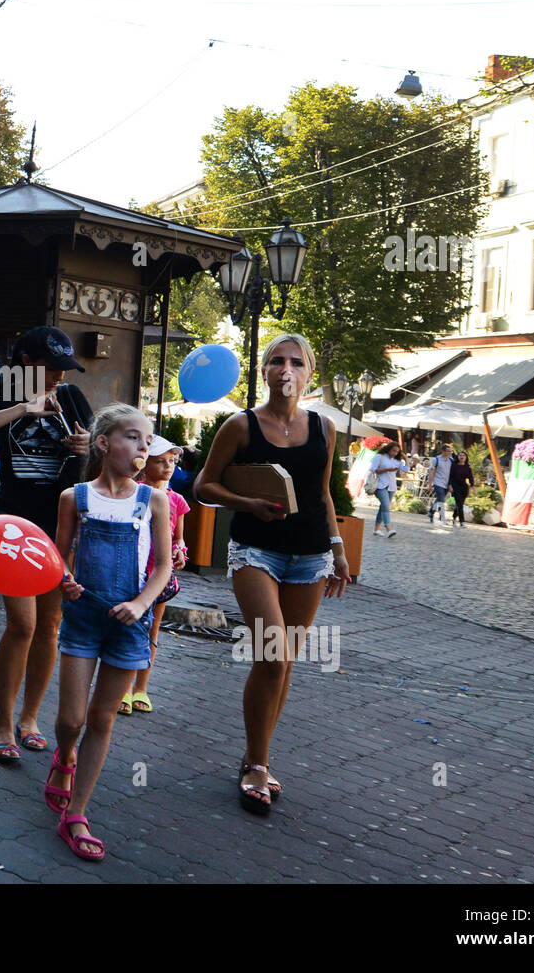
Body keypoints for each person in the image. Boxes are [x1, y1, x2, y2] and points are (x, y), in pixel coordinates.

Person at [194, 333, 350, 816]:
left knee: (283, 663)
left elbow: (323, 494)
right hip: (255, 552)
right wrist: (247, 503)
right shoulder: (240, 426)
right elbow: (204, 484)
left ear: (308, 373)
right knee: (273, 652)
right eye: (277, 361)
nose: (286, 369)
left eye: (296, 362)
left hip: (310, 557)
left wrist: (338, 549)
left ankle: (255, 756)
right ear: (263, 371)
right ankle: (257, 765)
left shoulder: (323, 427)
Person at [0, 325, 92, 761]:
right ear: (28, 363)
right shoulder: (5, 388)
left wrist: (89, 446)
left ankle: (30, 719)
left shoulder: (71, 398)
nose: (58, 376)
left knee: (50, 626)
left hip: (61, 528)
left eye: (63, 369)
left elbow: (105, 451)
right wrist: (21, 408)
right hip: (14, 526)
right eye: (52, 368)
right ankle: (2, 723)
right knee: (23, 625)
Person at [45, 403, 171, 861]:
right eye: (133, 438)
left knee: (102, 719)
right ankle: (64, 756)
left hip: (128, 627)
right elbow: (58, 557)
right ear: (103, 443)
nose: (143, 448)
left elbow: (164, 565)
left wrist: (141, 604)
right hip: (82, 619)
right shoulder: (74, 497)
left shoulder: (153, 500)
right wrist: (65, 578)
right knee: (71, 720)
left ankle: (76, 813)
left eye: (147, 441)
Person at [120, 434, 189, 715]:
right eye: (161, 461)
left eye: (172, 461)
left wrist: (181, 551)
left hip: (160, 574)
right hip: (132, 571)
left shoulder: (177, 501)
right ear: (143, 463)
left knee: (152, 629)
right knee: (126, 627)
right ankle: (122, 688)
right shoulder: (132, 493)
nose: (168, 466)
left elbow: (179, 538)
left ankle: (141, 688)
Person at [370, 441, 407, 538]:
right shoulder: (380, 457)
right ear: (389, 449)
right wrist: (387, 470)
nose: (395, 453)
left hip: (391, 486)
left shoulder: (397, 461)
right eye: (393, 451)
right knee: (386, 506)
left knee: (383, 507)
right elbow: (373, 469)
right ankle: (388, 528)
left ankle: (376, 529)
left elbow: (406, 469)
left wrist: (406, 458)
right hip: (380, 485)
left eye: (397, 452)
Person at [425, 442, 455, 525]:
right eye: (448, 451)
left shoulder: (451, 460)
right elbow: (432, 472)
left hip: (446, 483)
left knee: (439, 499)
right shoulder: (436, 460)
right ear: (443, 451)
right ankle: (442, 518)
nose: (450, 453)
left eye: (451, 451)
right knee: (441, 499)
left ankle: (431, 512)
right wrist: (430, 484)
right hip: (438, 482)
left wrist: (451, 484)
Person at [450, 450, 475, 528]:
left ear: (466, 457)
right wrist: (449, 485)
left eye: (463, 455)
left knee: (459, 505)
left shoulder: (467, 467)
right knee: (460, 504)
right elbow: (450, 476)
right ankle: (462, 521)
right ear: (458, 457)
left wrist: (472, 487)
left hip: (464, 487)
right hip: (455, 486)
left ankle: (454, 517)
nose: (461, 456)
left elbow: (470, 478)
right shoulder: (454, 465)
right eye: (460, 455)